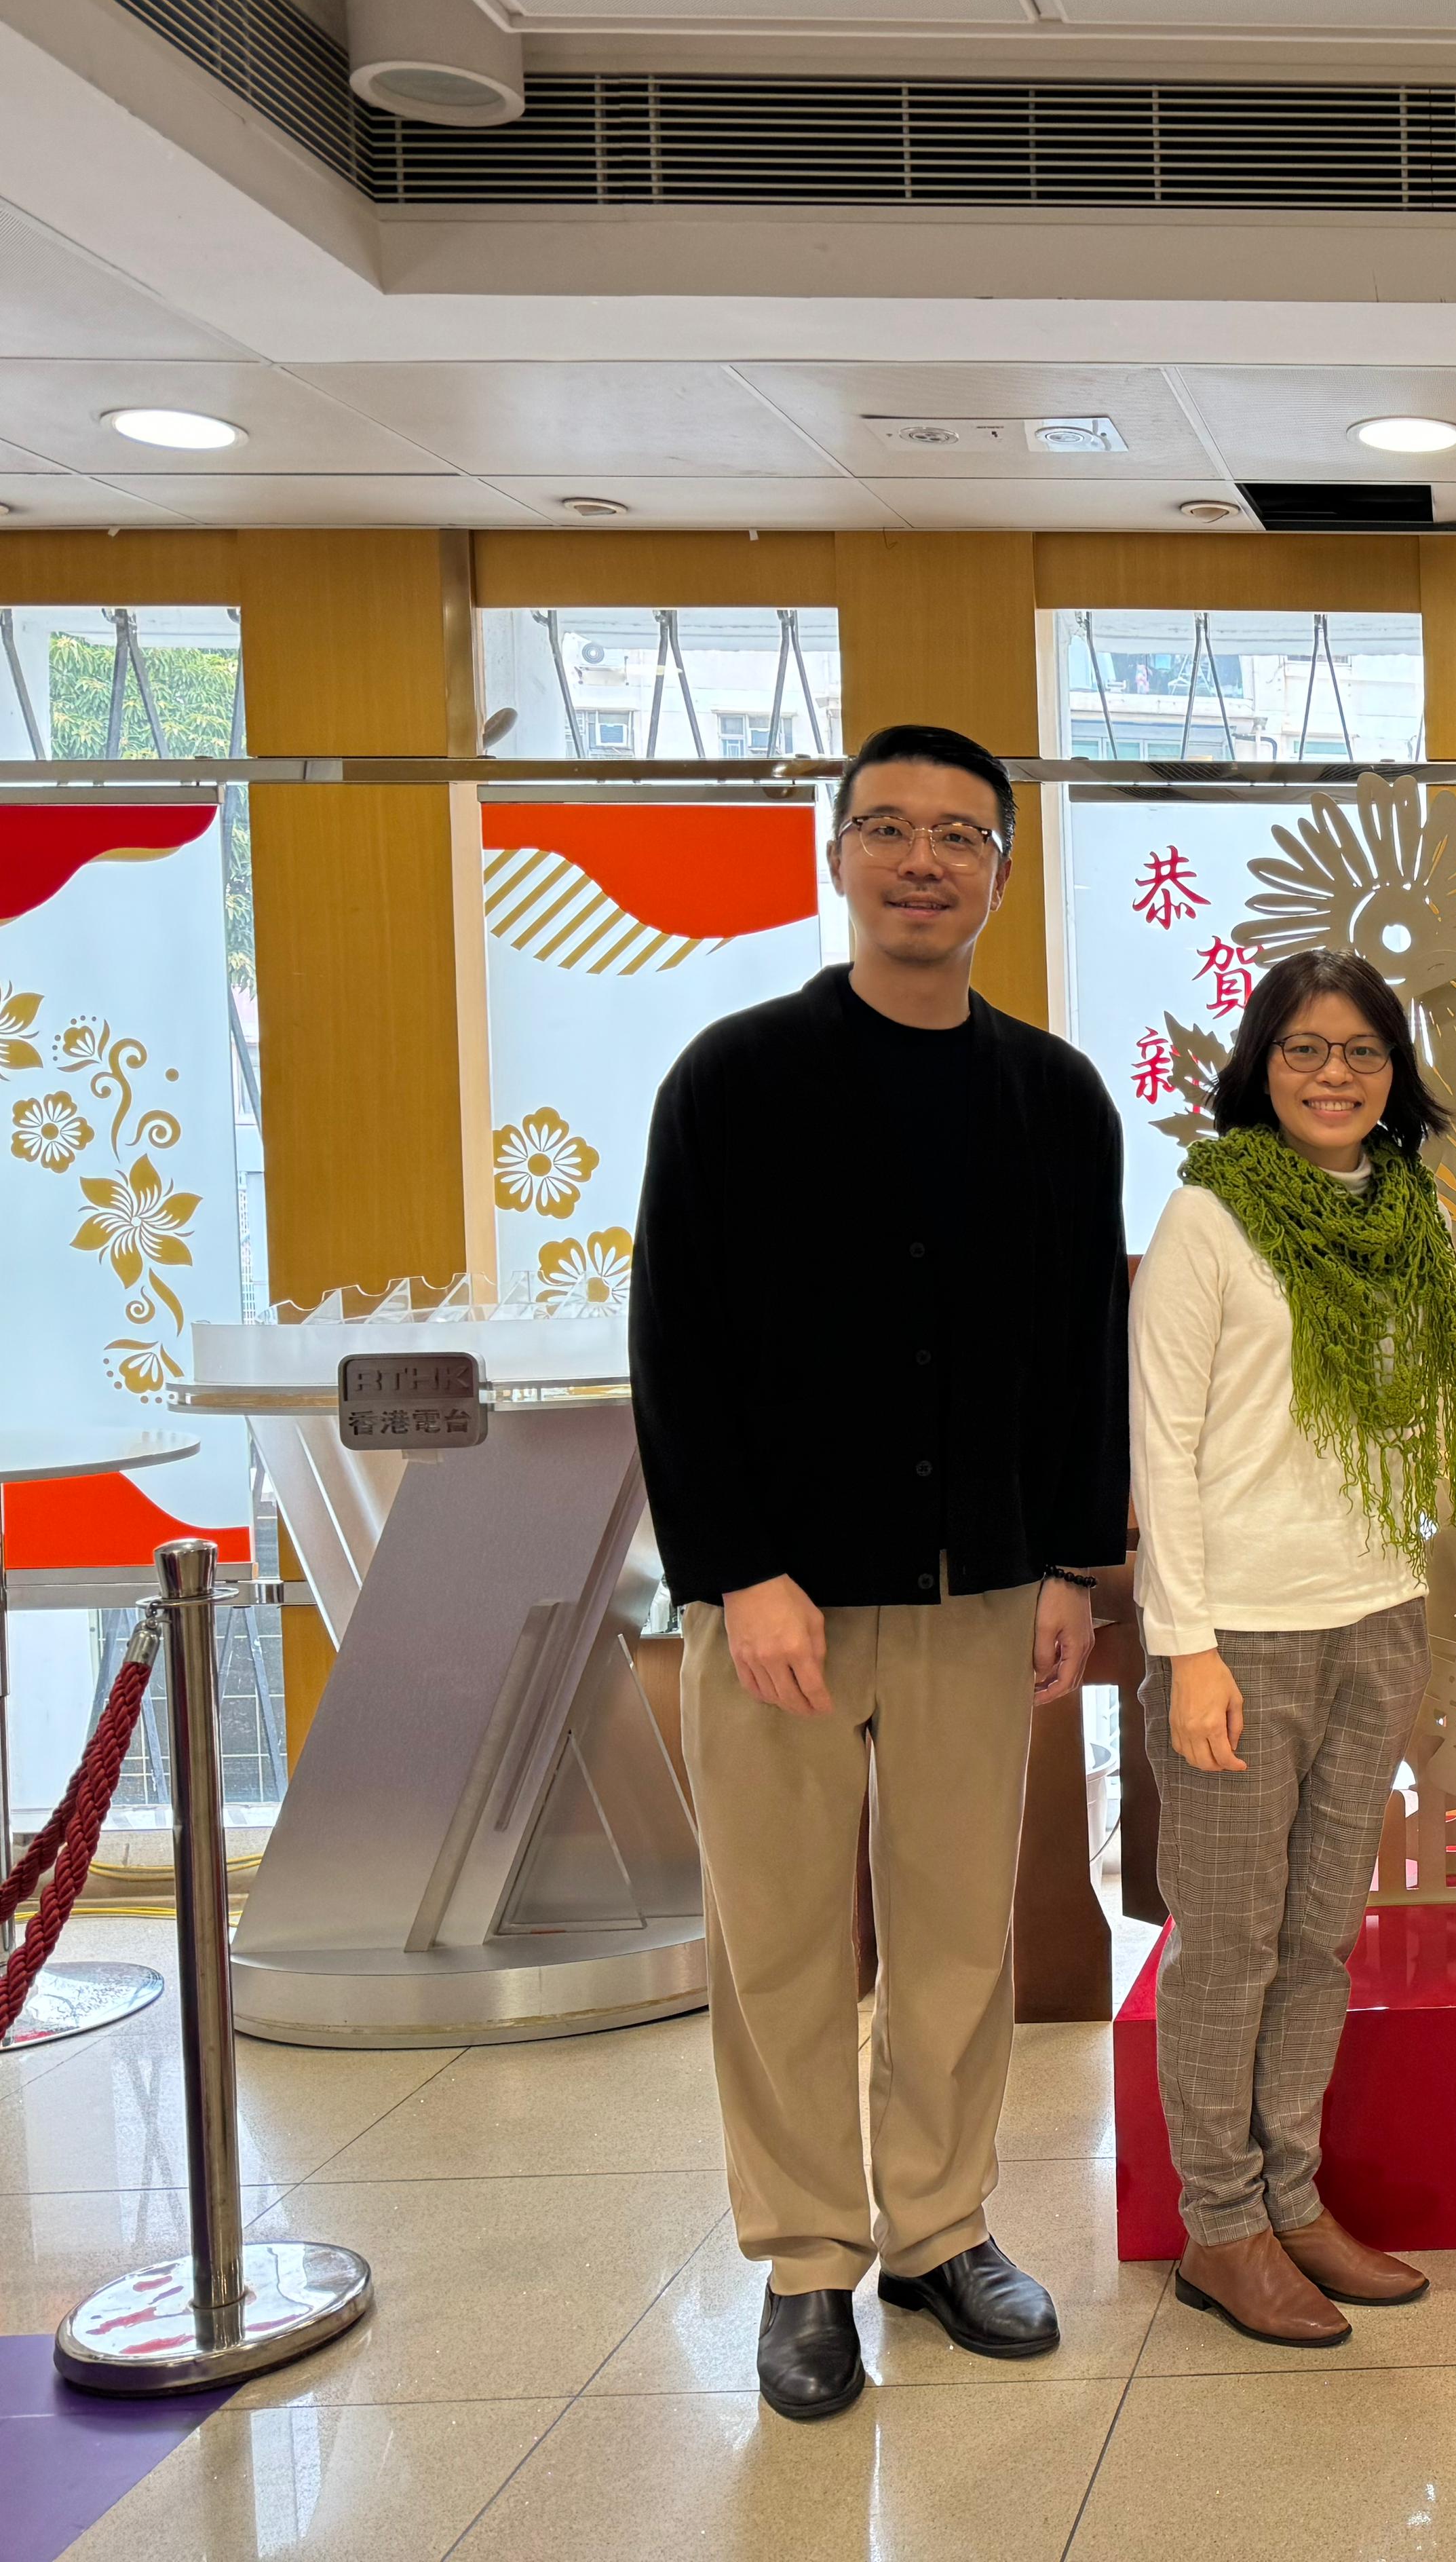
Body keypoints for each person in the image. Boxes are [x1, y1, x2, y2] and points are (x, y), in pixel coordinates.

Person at [630, 723, 1128, 2420]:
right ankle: (805, 2261)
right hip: (778, 1597)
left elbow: (1081, 1352)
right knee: (777, 1937)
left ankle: (938, 2229)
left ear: (1002, 871)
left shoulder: (1054, 1097)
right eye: (892, 829)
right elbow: (675, 1349)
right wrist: (737, 1572)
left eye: (960, 836)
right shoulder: (734, 1077)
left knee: (957, 1937)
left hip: (982, 1591)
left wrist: (1070, 1564)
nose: (926, 862)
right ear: (837, 854)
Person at [1132, 949, 1456, 2348]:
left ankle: (1291, 2196)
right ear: (1259, 1066)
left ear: (1394, 1073)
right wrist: (1186, 1648)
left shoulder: (1416, 1216)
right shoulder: (1209, 1217)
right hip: (1241, 1635)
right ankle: (1221, 2228)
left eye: (1362, 1052)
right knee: (1229, 1944)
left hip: (1375, 1614)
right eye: (1305, 1050)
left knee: (1320, 1935)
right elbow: (1162, 1443)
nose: (1335, 1075)